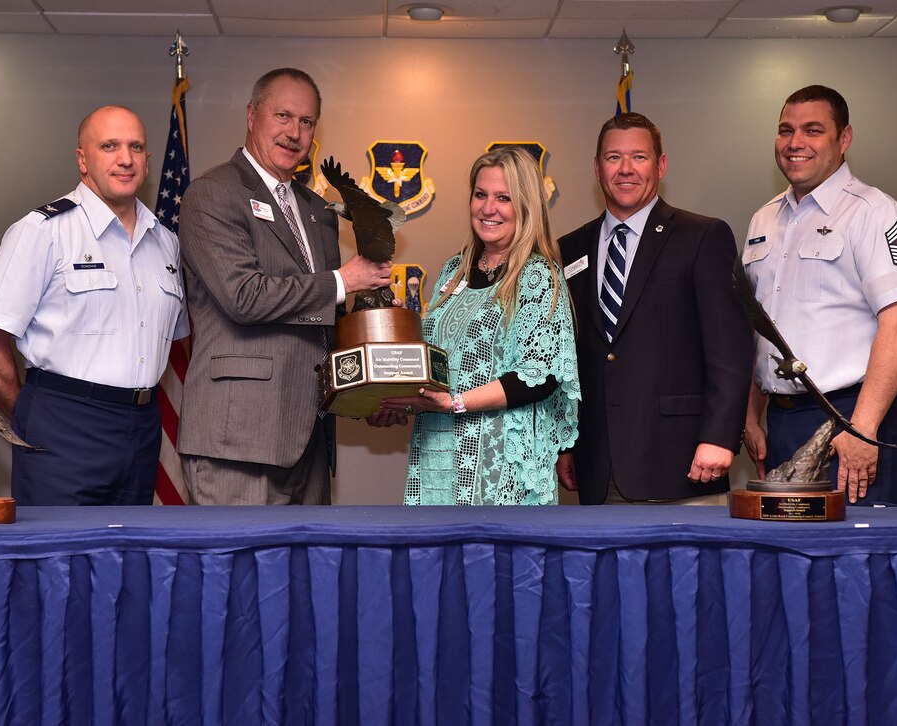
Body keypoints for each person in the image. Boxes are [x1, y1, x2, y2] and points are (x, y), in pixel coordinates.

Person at [177, 68, 392, 505]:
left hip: (309, 437)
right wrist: (342, 280)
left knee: (305, 572)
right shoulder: (212, 193)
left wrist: (374, 388)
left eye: (307, 121)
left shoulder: (317, 210)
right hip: (237, 440)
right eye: (283, 115)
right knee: (236, 572)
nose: (294, 132)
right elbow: (244, 296)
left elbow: (325, 317)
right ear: (252, 115)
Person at [0, 105, 189, 505]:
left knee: (129, 559)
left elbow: (172, 341)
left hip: (142, 428)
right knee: (58, 564)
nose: (125, 158)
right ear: (83, 159)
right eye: (109, 146)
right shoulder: (42, 231)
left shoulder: (165, 242)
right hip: (62, 425)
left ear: (148, 161)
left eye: (136, 146)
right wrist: (33, 419)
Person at [557, 112, 753, 504]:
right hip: (598, 463)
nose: (626, 169)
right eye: (613, 158)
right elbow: (569, 356)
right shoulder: (569, 248)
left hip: (683, 463)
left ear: (661, 165)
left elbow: (731, 351)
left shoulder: (702, 236)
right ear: (597, 169)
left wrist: (718, 437)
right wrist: (566, 442)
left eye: (639, 157)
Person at [742, 85, 897, 505]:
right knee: (788, 565)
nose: (795, 143)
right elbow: (759, 327)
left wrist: (862, 429)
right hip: (783, 423)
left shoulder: (874, 213)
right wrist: (750, 415)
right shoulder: (764, 218)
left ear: (844, 139)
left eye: (812, 130)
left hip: (852, 419)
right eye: (786, 130)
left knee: (857, 563)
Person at [373, 146, 580, 505]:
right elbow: (440, 365)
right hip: (439, 452)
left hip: (500, 468)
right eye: (481, 195)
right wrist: (396, 392)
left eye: (504, 198)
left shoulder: (537, 276)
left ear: (527, 206)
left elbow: (538, 377)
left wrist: (454, 403)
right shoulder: (454, 271)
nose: (488, 208)